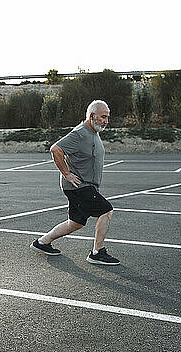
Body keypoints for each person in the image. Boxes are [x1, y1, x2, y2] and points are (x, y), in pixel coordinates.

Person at [30, 100, 120, 265]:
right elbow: (56, 149)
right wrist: (67, 174)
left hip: (85, 186)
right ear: (92, 116)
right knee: (106, 210)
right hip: (79, 186)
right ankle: (97, 252)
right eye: (103, 117)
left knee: (76, 223)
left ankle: (42, 242)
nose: (106, 121)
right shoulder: (80, 133)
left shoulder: (94, 132)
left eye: (107, 117)